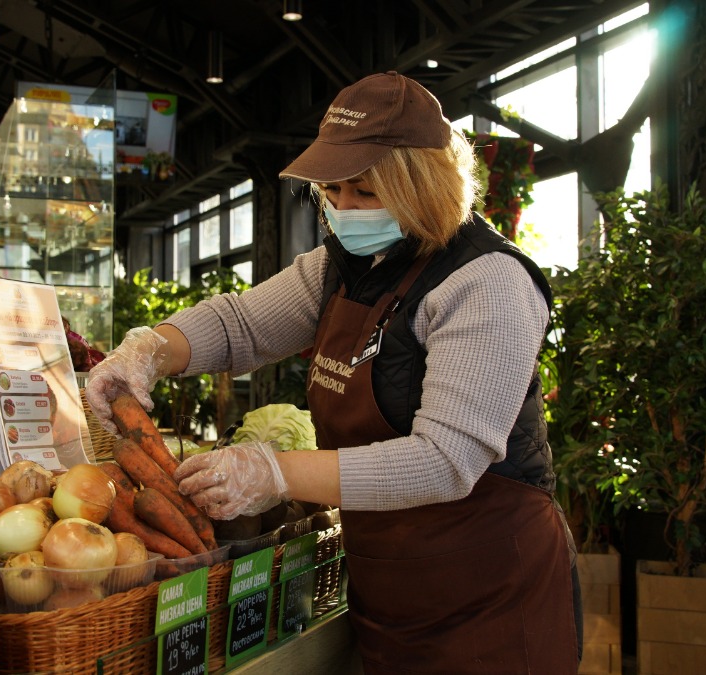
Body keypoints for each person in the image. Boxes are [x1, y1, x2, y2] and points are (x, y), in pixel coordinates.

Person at [86, 71, 580, 673]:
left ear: (423, 186)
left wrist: (274, 471)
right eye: (334, 191)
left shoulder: (488, 283)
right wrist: (150, 349)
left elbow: (446, 461)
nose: (344, 209)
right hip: (389, 586)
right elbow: (241, 324)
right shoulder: (342, 267)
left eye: (366, 193)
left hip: (490, 592)